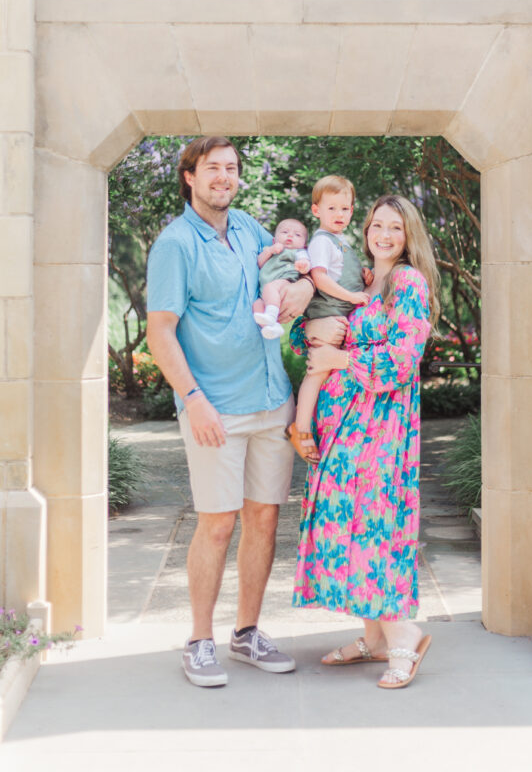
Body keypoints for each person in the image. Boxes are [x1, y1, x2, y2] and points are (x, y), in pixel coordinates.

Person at [146, 136, 315, 689]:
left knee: (264, 518)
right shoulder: (175, 244)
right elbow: (160, 332)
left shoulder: (246, 226)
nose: (225, 176)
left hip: (272, 402)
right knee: (217, 525)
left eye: (232, 168)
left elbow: (292, 269)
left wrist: (303, 291)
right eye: (213, 167)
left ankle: (247, 633)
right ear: (189, 176)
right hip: (215, 409)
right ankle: (199, 641)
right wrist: (193, 400)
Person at [290, 194, 441, 689]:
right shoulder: (365, 282)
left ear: (408, 234)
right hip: (344, 427)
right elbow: (324, 331)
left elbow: (402, 359)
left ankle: (404, 635)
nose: (383, 234)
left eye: (394, 227)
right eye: (377, 224)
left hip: (381, 428)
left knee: (377, 524)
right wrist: (314, 330)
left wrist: (340, 363)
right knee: (347, 522)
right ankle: (374, 637)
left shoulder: (408, 282)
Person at [285, 176, 371, 464]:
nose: (340, 215)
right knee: (316, 373)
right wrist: (353, 295)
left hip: (336, 314)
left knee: (323, 372)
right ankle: (301, 428)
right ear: (316, 210)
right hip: (326, 314)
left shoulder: (341, 242)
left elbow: (339, 271)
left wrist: (364, 277)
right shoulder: (322, 241)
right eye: (332, 208)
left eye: (345, 209)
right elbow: (320, 279)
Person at [253, 218, 311, 340]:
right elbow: (259, 263)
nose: (290, 235)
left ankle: (271, 314)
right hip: (265, 292)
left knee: (270, 288)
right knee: (257, 305)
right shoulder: (270, 250)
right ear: (274, 240)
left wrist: (303, 266)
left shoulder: (298, 252)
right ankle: (272, 327)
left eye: (297, 235)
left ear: (304, 244)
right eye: (284, 232)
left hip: (284, 281)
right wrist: (270, 250)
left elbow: (305, 264)